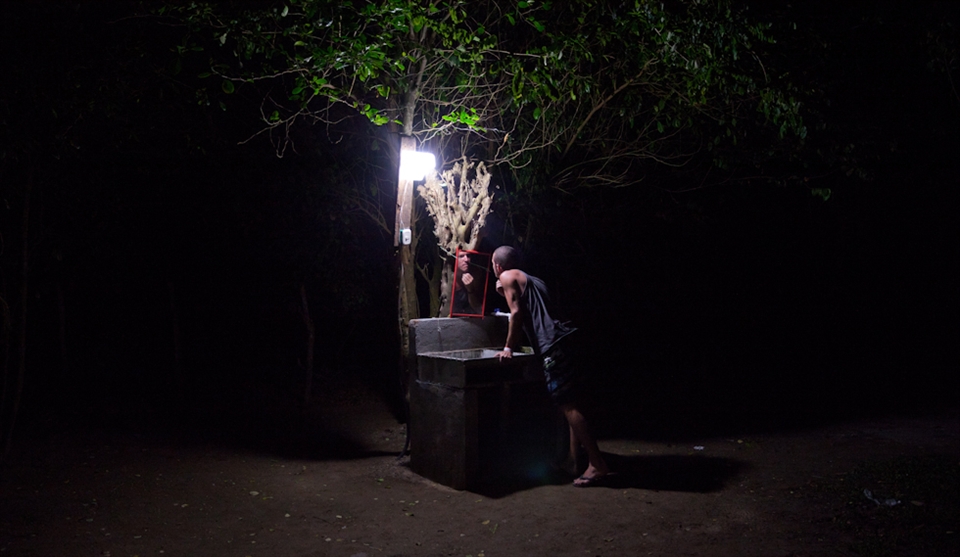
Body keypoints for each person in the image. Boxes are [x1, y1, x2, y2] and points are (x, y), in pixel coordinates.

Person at [492, 245, 610, 487]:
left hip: (552, 344)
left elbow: (515, 314)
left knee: (568, 406)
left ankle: (597, 464)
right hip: (567, 338)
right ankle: (573, 461)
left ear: (497, 266)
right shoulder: (533, 279)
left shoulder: (505, 276)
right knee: (571, 402)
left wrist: (508, 348)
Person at [452, 250, 483, 315]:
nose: (466, 259)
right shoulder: (449, 278)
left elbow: (478, 308)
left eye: (468, 256)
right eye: (461, 256)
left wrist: (470, 289)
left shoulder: (476, 275)